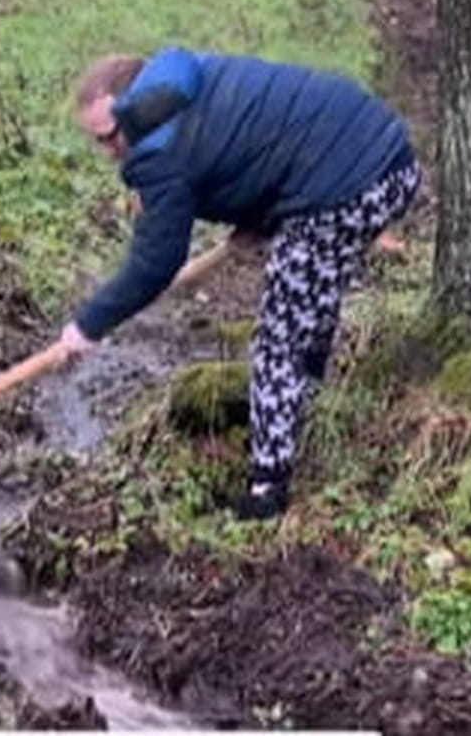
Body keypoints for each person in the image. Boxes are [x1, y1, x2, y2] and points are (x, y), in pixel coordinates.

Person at [55, 47, 421, 520]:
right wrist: (262, 213)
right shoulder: (188, 79)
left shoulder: (157, 146)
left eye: (108, 137)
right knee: (312, 290)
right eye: (96, 142)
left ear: (132, 108)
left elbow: (155, 262)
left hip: (345, 187)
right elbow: (258, 137)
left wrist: (87, 325)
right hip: (390, 159)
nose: (107, 153)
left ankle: (267, 489)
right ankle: (306, 403)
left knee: (277, 339)